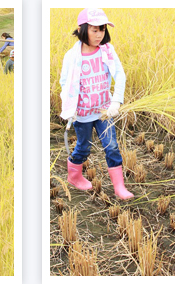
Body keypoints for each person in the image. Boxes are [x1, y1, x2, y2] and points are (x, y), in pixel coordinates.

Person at [59, 8, 133, 200]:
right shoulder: (72, 56)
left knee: (112, 147)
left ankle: (119, 187)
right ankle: (74, 176)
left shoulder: (107, 51)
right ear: (83, 29)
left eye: (102, 29)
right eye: (94, 30)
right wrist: (69, 109)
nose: (99, 34)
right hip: (82, 114)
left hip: (104, 111)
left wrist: (116, 100)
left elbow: (120, 75)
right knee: (83, 147)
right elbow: (65, 84)